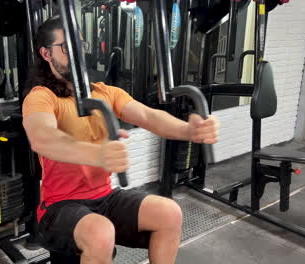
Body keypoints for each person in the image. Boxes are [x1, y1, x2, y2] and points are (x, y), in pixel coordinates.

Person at [22, 16, 219, 264]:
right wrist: (96, 154)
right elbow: (43, 137)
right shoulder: (41, 97)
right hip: (59, 206)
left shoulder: (104, 92)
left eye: (80, 46)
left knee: (169, 213)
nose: (78, 53)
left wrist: (190, 131)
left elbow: (148, 115)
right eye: (66, 47)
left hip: (104, 197)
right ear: (46, 54)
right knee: (100, 232)